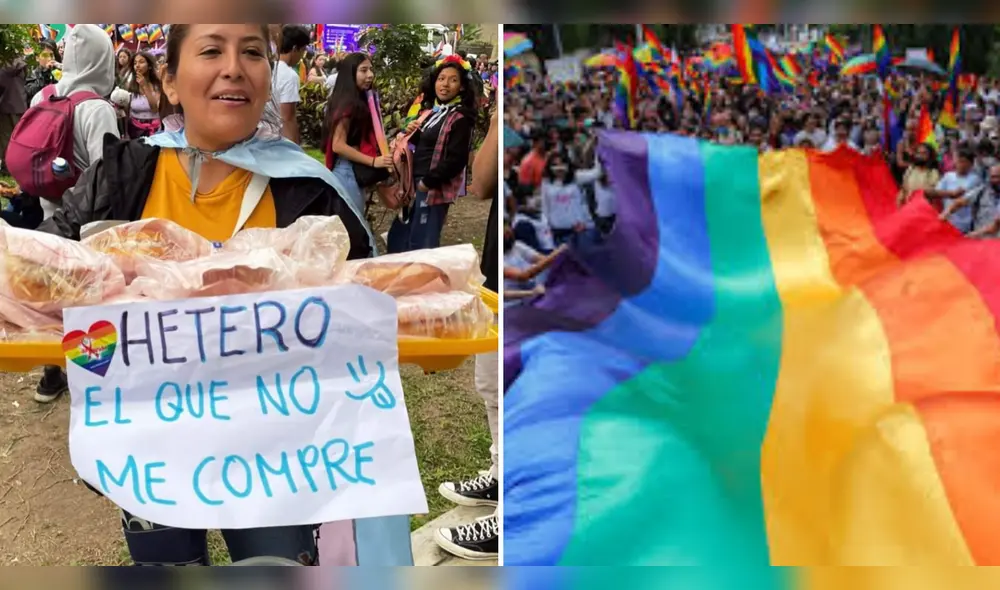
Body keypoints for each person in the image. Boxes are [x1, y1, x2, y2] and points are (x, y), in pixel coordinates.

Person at [39, 24, 374, 565]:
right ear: (170, 81)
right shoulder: (123, 174)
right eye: (212, 49)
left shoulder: (310, 193)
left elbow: (367, 312)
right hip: (148, 447)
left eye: (252, 53)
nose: (233, 68)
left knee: (273, 567)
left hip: (274, 456)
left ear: (268, 77)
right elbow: (45, 275)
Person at [28, 24, 120, 404]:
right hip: (86, 222)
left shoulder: (42, 96)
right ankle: (91, 377)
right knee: (88, 298)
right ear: (103, 60)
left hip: (49, 211)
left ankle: (51, 374)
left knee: (55, 293)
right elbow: (108, 173)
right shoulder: (97, 108)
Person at [434, 107, 500, 561]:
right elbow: (482, 185)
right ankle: (502, 472)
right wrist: (499, 122)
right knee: (493, 385)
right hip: (503, 272)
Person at [386, 54, 478, 253]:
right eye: (441, 79)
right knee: (401, 238)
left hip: (431, 188)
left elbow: (456, 159)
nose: (445, 84)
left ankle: (421, 274)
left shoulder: (460, 118)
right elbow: (423, 145)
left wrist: (427, 183)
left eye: (453, 80)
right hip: (414, 185)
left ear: (462, 87)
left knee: (422, 244)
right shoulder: (431, 113)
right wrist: (412, 132)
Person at [325, 52, 393, 215]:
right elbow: (338, 145)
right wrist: (373, 161)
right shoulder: (348, 105)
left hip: (350, 170)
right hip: (346, 171)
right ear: (350, 74)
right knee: (353, 223)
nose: (370, 75)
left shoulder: (358, 100)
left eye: (371, 69)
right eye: (363, 70)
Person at [926, 147, 983, 233]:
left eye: (964, 161)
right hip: (946, 220)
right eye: (959, 161)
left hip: (965, 224)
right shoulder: (948, 176)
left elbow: (962, 200)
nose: (961, 164)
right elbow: (937, 192)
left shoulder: (975, 179)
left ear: (971, 164)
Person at [274, 24, 309, 144]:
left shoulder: (266, 66)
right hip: (276, 140)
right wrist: (294, 148)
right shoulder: (289, 75)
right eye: (303, 50)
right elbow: (287, 118)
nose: (302, 56)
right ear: (295, 49)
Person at [125, 51, 162, 138]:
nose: (137, 65)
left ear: (149, 66)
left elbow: (155, 108)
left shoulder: (157, 85)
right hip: (135, 130)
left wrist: (145, 86)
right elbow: (127, 111)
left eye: (141, 62)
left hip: (155, 130)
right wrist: (126, 132)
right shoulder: (130, 86)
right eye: (135, 63)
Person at [0, 56, 27, 175]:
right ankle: (18, 165)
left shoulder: (5, 66)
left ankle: (7, 167)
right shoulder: (22, 64)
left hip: (7, 106)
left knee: (6, 138)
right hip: (20, 105)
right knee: (18, 138)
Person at [897, 142, 941, 207]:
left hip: (923, 209)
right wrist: (899, 205)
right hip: (908, 208)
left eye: (924, 153)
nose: (920, 156)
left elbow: (933, 195)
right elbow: (903, 190)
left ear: (930, 157)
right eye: (918, 153)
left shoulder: (933, 173)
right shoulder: (910, 169)